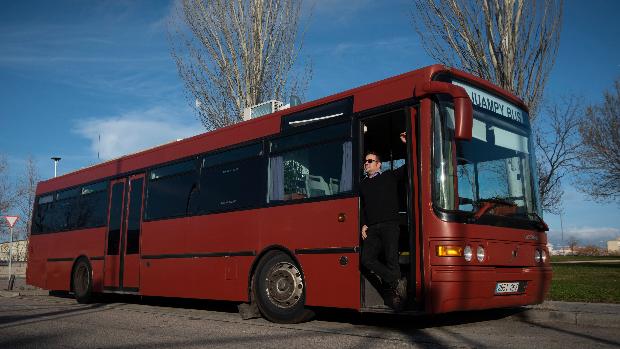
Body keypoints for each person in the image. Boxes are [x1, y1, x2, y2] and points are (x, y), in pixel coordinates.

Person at [360, 132, 407, 310]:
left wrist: (407, 143)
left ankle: (396, 300)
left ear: (378, 164)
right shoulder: (362, 184)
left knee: (391, 260)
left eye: (370, 161)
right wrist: (363, 224)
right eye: (365, 161)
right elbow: (362, 207)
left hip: (390, 225)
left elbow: (410, 165)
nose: (366, 163)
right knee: (366, 259)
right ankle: (395, 280)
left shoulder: (389, 177)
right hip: (372, 228)